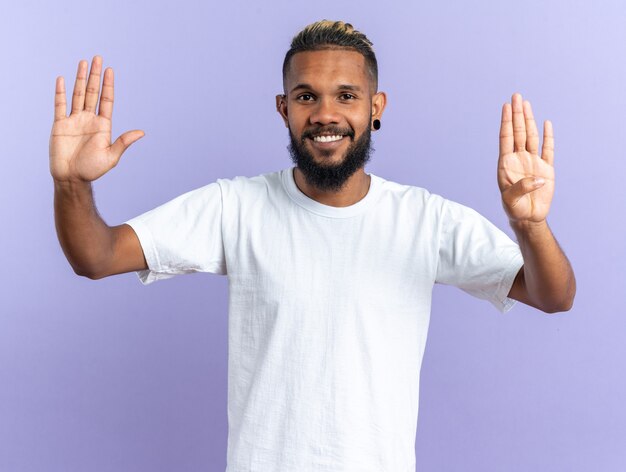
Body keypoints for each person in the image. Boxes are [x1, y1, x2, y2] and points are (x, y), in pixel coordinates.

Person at [50, 19, 575, 472]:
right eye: (307, 96)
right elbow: (97, 258)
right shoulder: (236, 206)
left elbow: (553, 295)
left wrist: (529, 226)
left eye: (346, 95)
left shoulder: (425, 219)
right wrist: (72, 185)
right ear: (284, 108)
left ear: (376, 106)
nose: (326, 113)